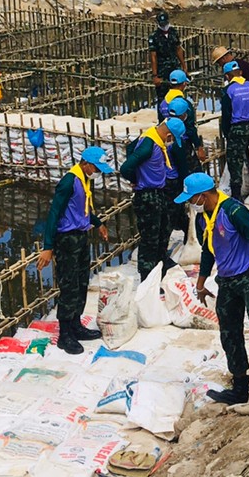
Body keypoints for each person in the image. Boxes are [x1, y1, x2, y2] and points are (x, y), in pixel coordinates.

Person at [174, 172, 249, 405]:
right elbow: (209, 251)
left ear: (203, 195)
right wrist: (201, 282)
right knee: (229, 331)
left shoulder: (234, 211)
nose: (190, 204)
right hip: (227, 280)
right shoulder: (202, 220)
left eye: (192, 199)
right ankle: (240, 386)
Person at [37, 146, 113, 354]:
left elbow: (85, 208)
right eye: (96, 168)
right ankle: (65, 334)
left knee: (81, 283)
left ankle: (76, 325)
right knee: (69, 286)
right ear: (86, 164)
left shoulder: (85, 180)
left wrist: (98, 223)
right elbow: (54, 213)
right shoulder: (69, 182)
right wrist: (48, 246)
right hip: (66, 240)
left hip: (80, 236)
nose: (97, 173)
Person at [120, 115, 186, 280]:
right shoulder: (149, 144)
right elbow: (126, 168)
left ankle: (161, 264)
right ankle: (147, 278)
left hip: (158, 193)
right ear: (169, 135)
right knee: (150, 240)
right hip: (147, 196)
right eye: (172, 139)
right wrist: (137, 180)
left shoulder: (155, 139)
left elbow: (130, 149)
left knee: (163, 232)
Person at [219, 60, 249, 195]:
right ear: (241, 73)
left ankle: (237, 194)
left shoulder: (228, 90)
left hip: (237, 129)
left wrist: (227, 133)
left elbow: (226, 114)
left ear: (227, 76)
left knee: (235, 162)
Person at [147, 10, 184, 85]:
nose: (164, 26)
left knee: (177, 89)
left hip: (175, 68)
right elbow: (153, 56)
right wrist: (155, 76)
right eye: (162, 24)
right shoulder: (154, 36)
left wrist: (184, 66)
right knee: (163, 93)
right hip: (162, 70)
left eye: (165, 24)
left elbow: (178, 49)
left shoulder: (174, 32)